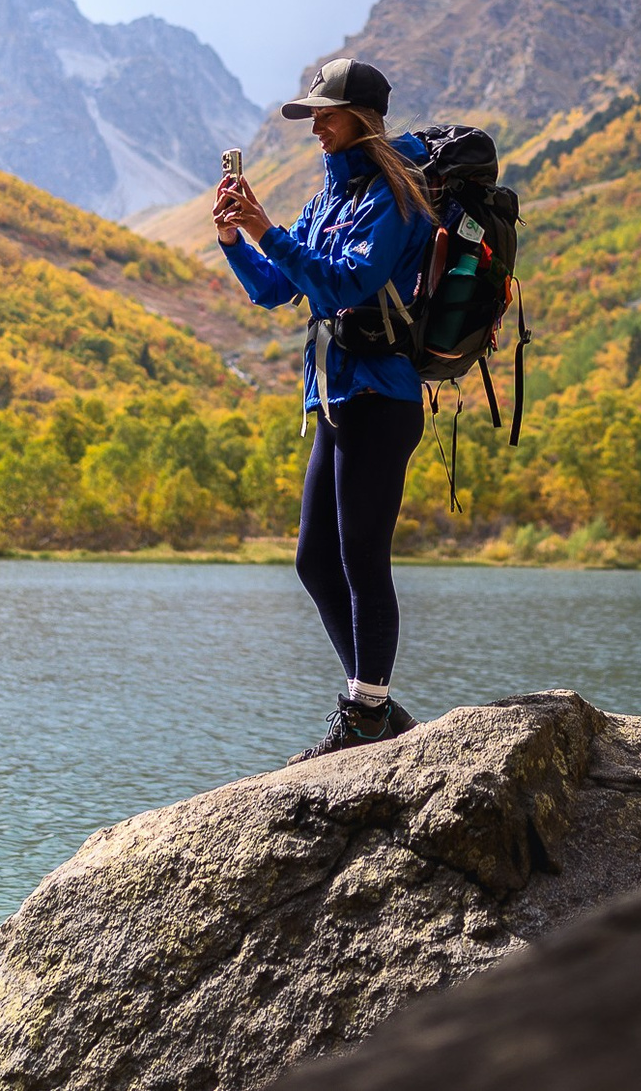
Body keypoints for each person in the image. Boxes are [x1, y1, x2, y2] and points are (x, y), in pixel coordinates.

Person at [214, 57, 438, 762]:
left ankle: (366, 708)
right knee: (317, 559)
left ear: (360, 117)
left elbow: (348, 283)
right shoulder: (327, 199)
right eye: (312, 114)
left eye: (325, 113)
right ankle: (373, 703)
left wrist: (266, 226)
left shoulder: (398, 197)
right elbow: (276, 287)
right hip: (336, 399)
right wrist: (233, 238)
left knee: (363, 556)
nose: (315, 125)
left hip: (382, 396)